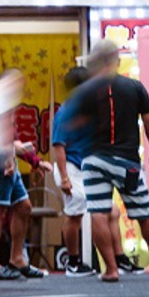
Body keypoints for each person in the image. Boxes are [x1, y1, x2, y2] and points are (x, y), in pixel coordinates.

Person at [71, 40, 149, 281]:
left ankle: (111, 270)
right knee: (145, 212)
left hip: (94, 159)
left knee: (98, 212)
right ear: (116, 60)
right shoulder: (134, 87)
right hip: (127, 161)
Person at [0, 69, 49, 279]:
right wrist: (8, 156)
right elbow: (5, 127)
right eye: (18, 82)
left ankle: (17, 259)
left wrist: (32, 160)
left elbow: (6, 132)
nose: (19, 87)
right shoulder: (0, 95)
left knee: (23, 207)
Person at [52, 67, 96, 277]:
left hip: (82, 167)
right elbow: (58, 146)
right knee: (74, 214)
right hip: (69, 167)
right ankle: (73, 263)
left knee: (84, 213)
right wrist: (65, 178)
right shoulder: (66, 112)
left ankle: (80, 262)